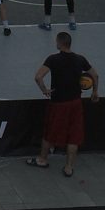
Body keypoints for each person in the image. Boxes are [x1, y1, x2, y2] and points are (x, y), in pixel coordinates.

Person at [29, 31, 95, 176]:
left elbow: (38, 77)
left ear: (59, 43)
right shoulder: (80, 59)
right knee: (74, 136)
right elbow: (95, 75)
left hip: (58, 104)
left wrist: (44, 90)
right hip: (75, 103)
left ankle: (42, 159)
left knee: (49, 132)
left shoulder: (53, 59)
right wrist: (95, 92)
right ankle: (69, 167)